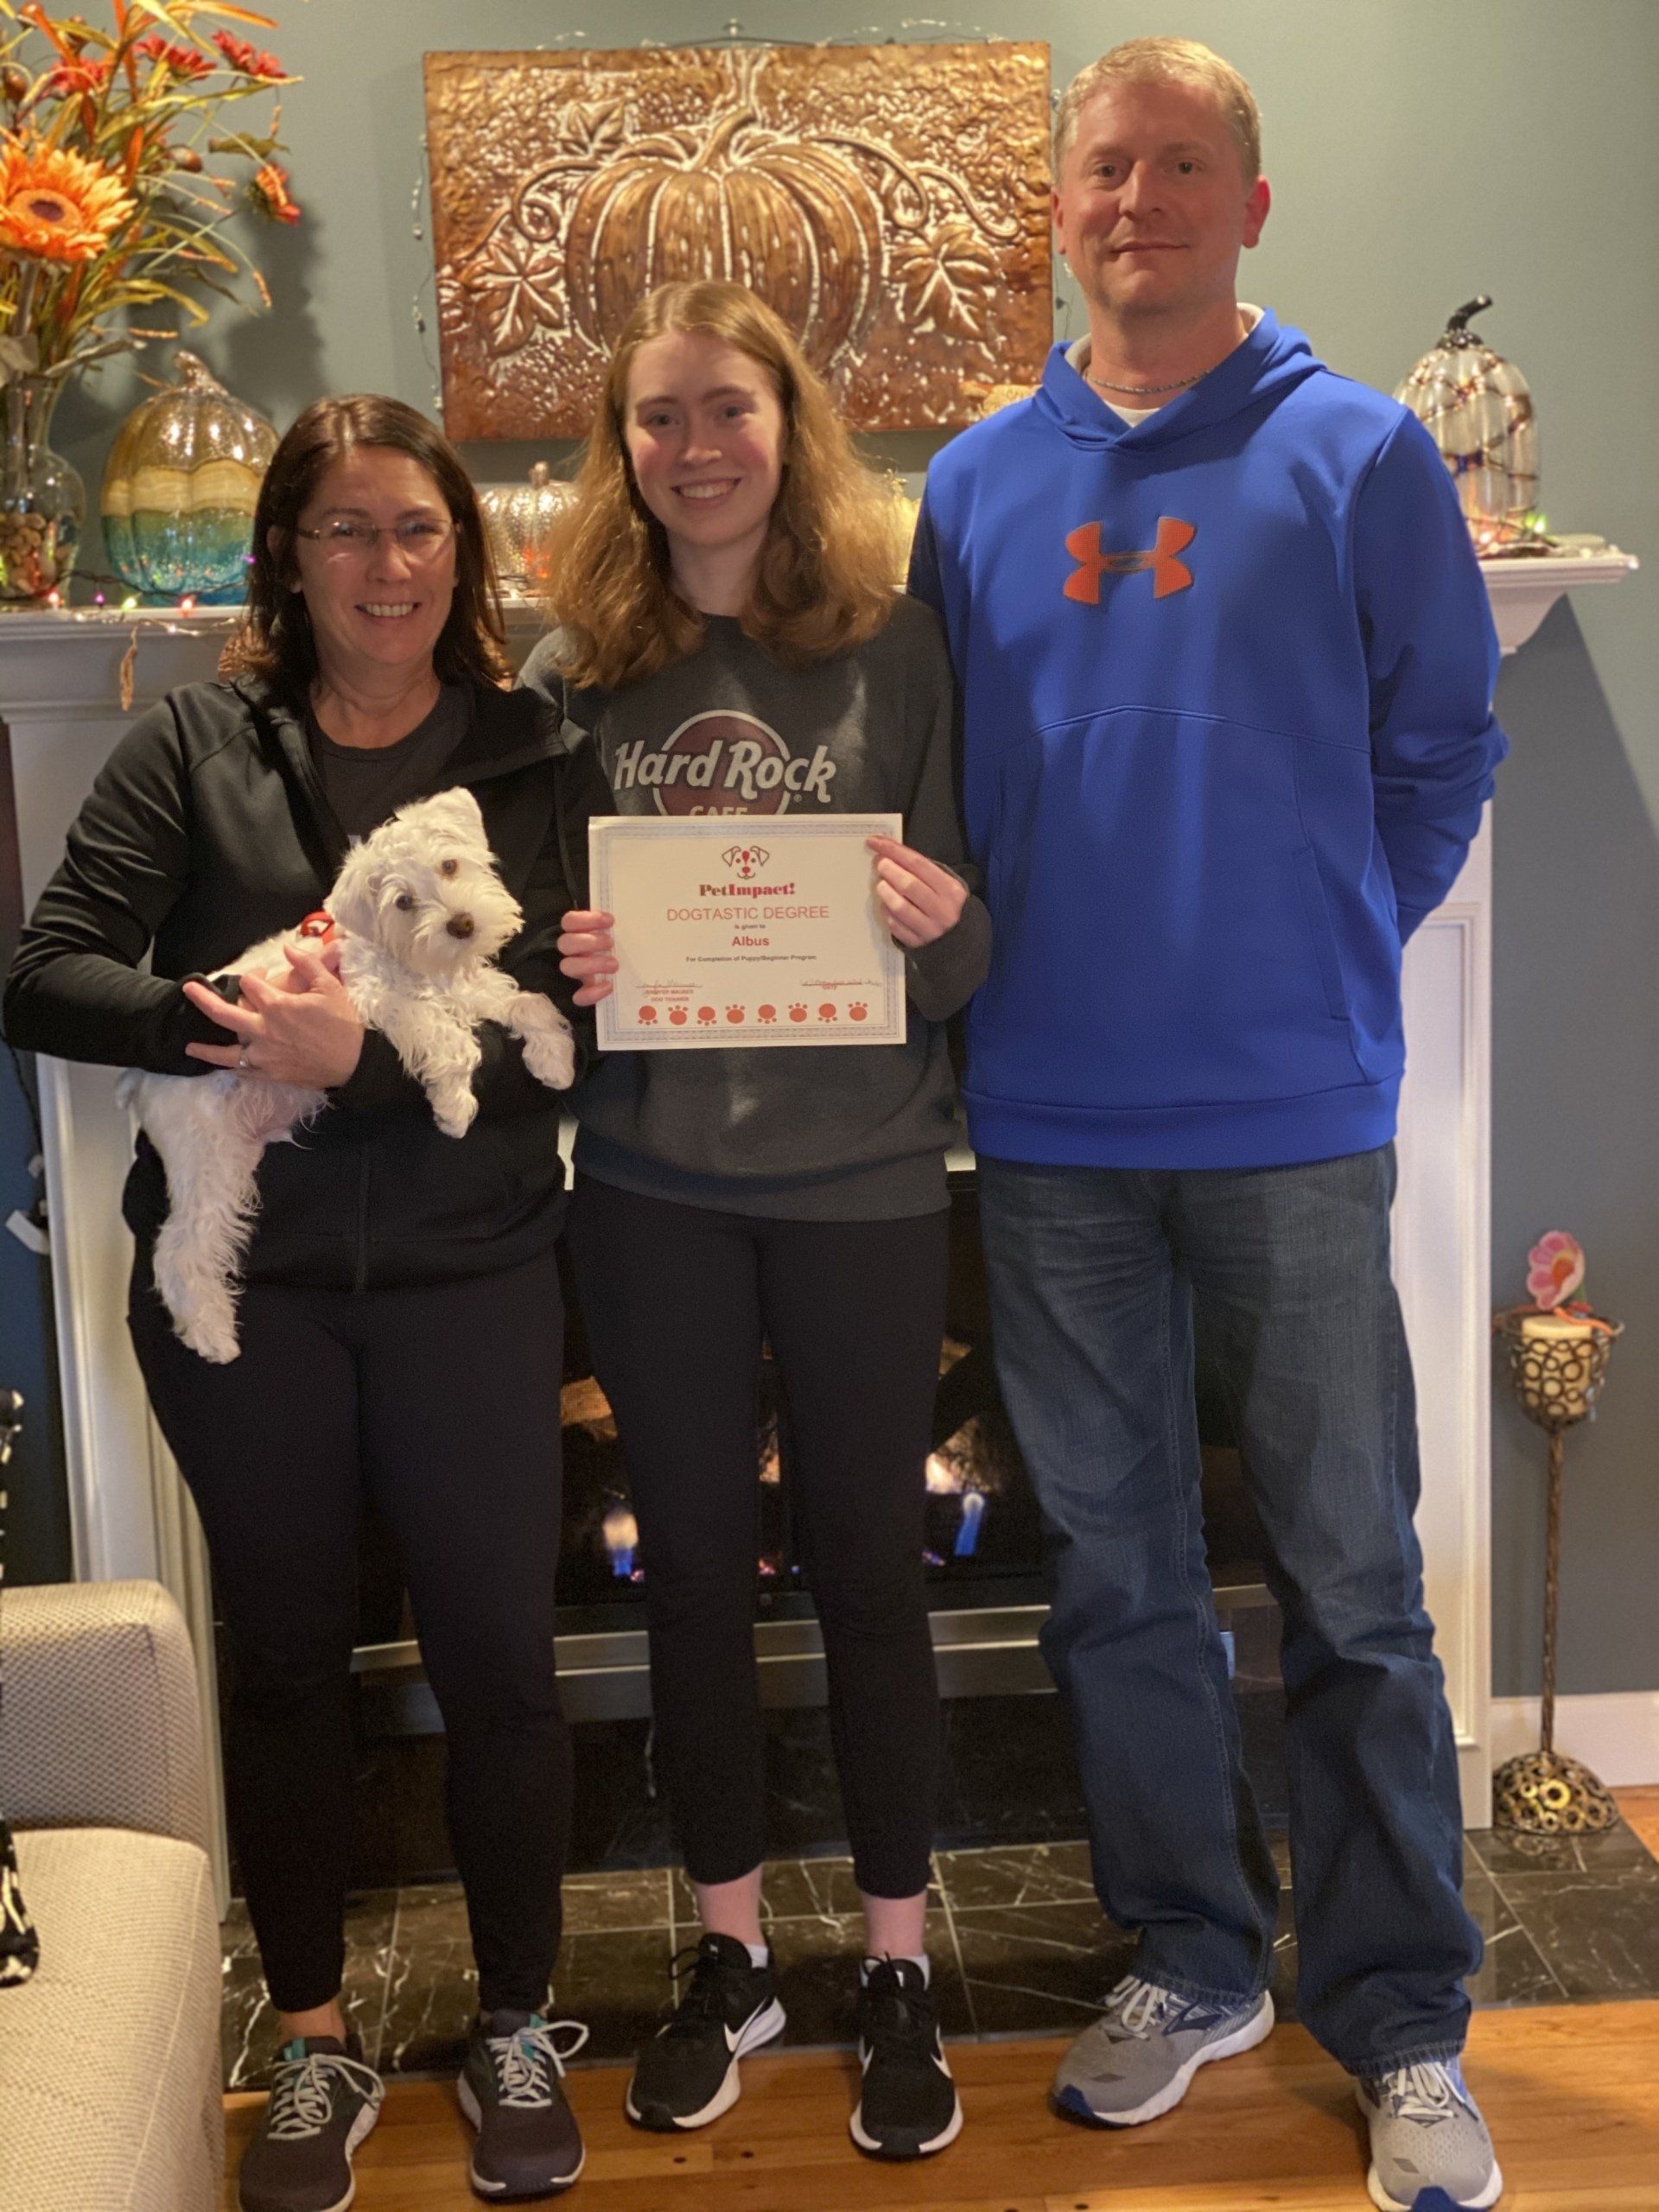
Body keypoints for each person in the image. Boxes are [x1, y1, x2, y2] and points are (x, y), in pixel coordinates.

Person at [908, 39, 1509, 2212]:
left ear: (1252, 204)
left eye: (1180, 168)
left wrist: (1331, 929)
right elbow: (941, 797)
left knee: (1356, 1580)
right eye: (1103, 167)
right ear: (1058, 207)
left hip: (1293, 1112)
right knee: (1122, 1579)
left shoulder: (1358, 453)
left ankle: (1409, 2013)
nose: (1135, 199)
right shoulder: (973, 484)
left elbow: (1445, 749)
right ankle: (1194, 1954)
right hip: (1050, 1119)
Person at [4, 396, 609, 2211]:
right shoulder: (198, 741)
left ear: (463, 555)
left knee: (503, 1663)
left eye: (418, 530)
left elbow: (572, 1040)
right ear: (287, 553)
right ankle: (315, 2030)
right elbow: (45, 974)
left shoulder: (533, 749)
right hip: (252, 1301)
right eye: (347, 530)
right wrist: (238, 1019)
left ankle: (517, 2015)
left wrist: (366, 1064)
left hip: (475, 1281)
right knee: (279, 1661)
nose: (387, 565)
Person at [523, 278, 989, 2163]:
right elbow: (530, 999)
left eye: (728, 407)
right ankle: (732, 1951)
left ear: (789, 428)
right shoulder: (573, 681)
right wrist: (570, 965)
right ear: (620, 451)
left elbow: (974, 967)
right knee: (692, 1578)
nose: (694, 445)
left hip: (869, 1184)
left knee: (875, 1573)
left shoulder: (903, 654)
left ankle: (892, 1958)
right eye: (657, 417)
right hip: (648, 1194)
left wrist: (933, 926)